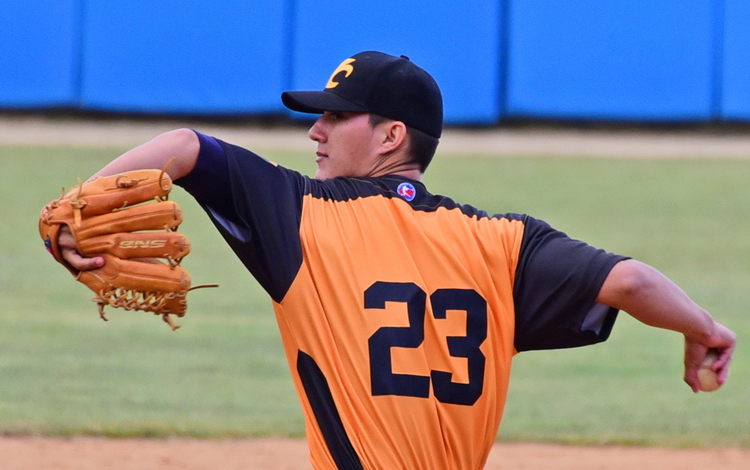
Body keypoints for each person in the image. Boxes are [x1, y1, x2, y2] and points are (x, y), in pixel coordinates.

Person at [53, 51, 736, 470]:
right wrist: (702, 328)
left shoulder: (300, 214)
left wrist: (76, 210)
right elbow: (632, 280)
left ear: (390, 135)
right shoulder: (502, 241)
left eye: (335, 117)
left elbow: (183, 146)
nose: (315, 131)